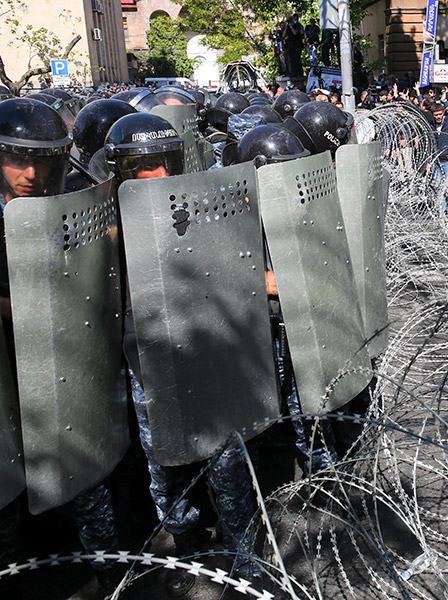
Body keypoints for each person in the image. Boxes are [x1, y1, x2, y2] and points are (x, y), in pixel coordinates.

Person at [105, 112, 260, 598]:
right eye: (143, 166)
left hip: (207, 352)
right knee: (166, 466)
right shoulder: (104, 227)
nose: (158, 176)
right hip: (148, 364)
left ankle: (244, 558)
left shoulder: (200, 206)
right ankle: (188, 544)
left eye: (164, 162)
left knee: (227, 462)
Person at [0, 96, 124, 599]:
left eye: (44, 161)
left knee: (83, 473)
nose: (30, 173)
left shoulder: (71, 205)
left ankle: (113, 575)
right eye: (17, 158)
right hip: (7, 377)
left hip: (64, 365)